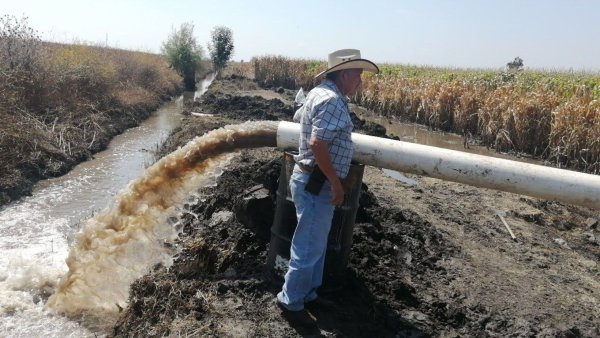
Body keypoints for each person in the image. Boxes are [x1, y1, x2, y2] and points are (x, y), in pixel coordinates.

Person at [277, 49, 379, 327]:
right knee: (308, 245)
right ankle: (291, 301)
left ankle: (308, 294)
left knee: (315, 243)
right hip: (317, 184)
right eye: (358, 75)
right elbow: (318, 145)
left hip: (312, 180)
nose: (361, 81)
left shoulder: (320, 92)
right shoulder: (332, 100)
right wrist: (336, 182)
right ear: (344, 74)